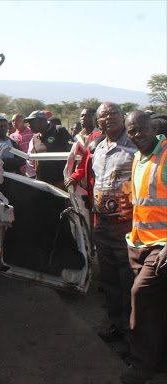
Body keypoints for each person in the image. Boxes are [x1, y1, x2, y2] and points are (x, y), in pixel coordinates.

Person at [120, 111, 167, 384]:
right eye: (132, 132)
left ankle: (141, 366)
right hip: (140, 245)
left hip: (161, 248)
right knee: (158, 306)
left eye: (141, 130)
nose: (137, 136)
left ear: (153, 128)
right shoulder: (138, 157)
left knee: (141, 296)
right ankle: (158, 360)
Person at [91, 102, 137, 342]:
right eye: (103, 115)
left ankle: (133, 334)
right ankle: (116, 325)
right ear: (98, 122)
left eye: (113, 113)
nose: (108, 118)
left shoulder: (136, 145)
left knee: (128, 278)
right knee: (108, 278)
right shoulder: (99, 147)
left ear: (122, 116)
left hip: (126, 225)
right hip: (103, 224)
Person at [64, 108, 103, 218]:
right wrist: (75, 177)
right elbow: (85, 161)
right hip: (89, 183)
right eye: (81, 116)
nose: (83, 118)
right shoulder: (93, 137)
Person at [24, 110, 72, 188]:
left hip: (61, 184)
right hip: (43, 184)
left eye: (32, 122)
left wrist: (66, 181)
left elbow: (73, 153)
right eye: (29, 123)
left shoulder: (59, 130)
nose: (30, 125)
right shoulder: (35, 138)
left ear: (43, 120)